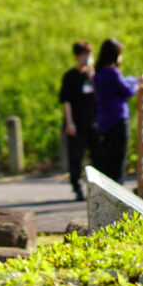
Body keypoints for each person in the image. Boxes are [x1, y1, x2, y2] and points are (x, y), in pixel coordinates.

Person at [92, 38, 143, 184]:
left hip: (104, 121)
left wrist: (133, 81)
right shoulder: (112, 73)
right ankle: (118, 197)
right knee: (118, 162)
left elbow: (122, 83)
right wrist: (138, 85)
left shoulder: (99, 74)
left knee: (108, 163)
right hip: (117, 120)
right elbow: (127, 91)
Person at [59, 41, 96, 201]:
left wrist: (92, 76)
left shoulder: (93, 75)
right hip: (76, 122)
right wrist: (69, 123)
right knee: (76, 157)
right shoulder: (70, 76)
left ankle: (96, 189)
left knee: (97, 156)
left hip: (93, 122)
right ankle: (77, 187)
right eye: (83, 55)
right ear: (76, 56)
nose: (86, 58)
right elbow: (66, 101)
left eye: (88, 54)